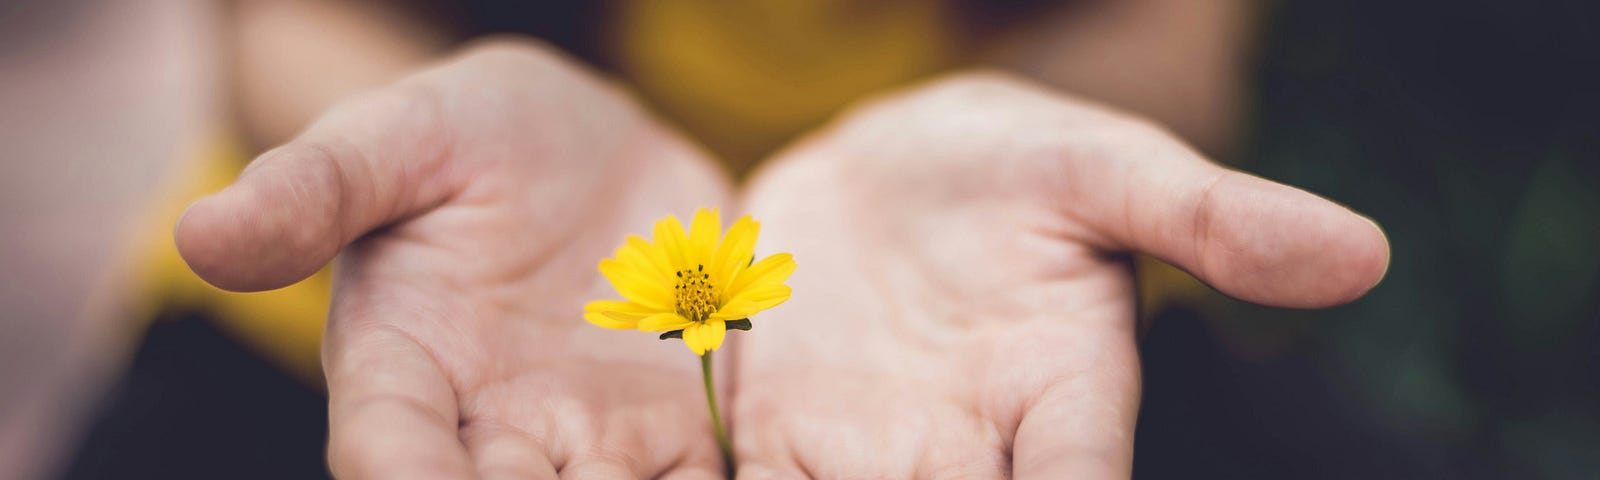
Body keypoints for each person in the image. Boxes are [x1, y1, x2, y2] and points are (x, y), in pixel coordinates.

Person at [11, 1, 1390, 478]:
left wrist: (1013, 137)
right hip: (417, 298)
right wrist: (410, 141)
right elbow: (281, 24)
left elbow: (1166, 47)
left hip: (968, 308)